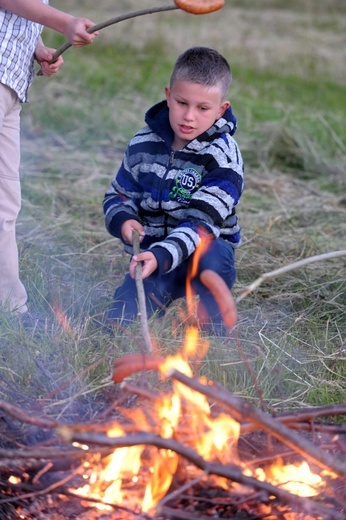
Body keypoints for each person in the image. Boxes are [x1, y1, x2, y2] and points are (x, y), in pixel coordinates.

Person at [103, 46, 244, 334]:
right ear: (168, 96)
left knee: (212, 254)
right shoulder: (143, 143)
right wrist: (123, 220)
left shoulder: (223, 157)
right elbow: (118, 195)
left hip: (201, 256)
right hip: (157, 258)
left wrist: (161, 255)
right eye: (181, 103)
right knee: (119, 321)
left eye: (203, 108)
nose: (188, 116)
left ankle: (211, 330)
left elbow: (201, 224)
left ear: (221, 110)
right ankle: (153, 300)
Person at [0, 1, 97, 317]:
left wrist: (35, 47)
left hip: (12, 84)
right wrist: (65, 22)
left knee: (6, 203)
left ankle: (10, 308)